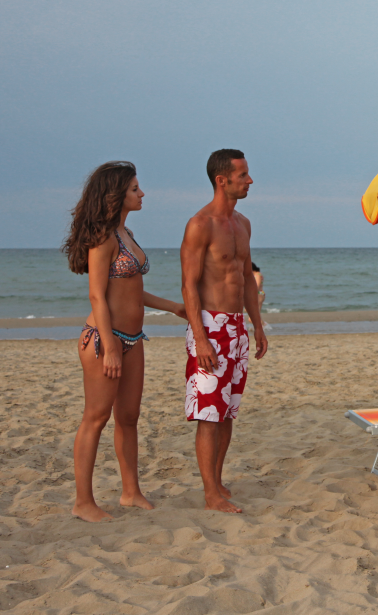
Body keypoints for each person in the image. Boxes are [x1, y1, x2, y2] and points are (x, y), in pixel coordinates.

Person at [63, 161, 186, 522]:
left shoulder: (126, 233)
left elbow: (134, 291)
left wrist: (175, 307)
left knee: (129, 417)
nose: (142, 193)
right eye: (135, 189)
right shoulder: (103, 239)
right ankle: (83, 502)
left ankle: (130, 491)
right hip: (103, 340)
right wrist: (111, 346)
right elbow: (98, 296)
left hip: (134, 338)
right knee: (96, 417)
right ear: (116, 194)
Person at [180, 149, 268, 513]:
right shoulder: (200, 225)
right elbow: (188, 285)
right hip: (210, 326)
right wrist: (199, 337)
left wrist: (257, 324)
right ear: (222, 180)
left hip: (236, 327)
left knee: (228, 411)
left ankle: (216, 481)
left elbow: (246, 277)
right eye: (243, 175)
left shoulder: (243, 224)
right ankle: (209, 493)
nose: (249, 180)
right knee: (209, 415)